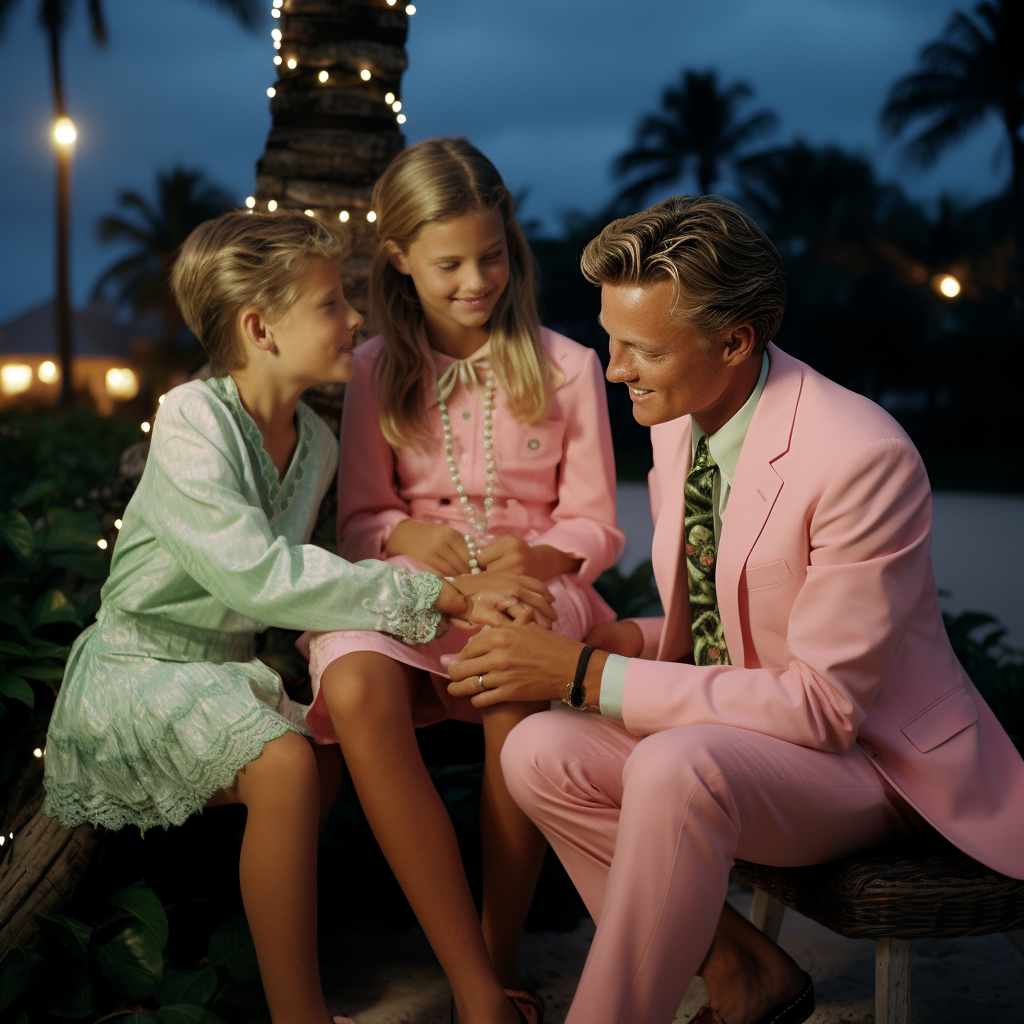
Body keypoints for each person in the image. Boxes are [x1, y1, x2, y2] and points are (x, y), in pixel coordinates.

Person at [447, 196, 1024, 1024]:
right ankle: (743, 971)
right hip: (758, 745)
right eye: (611, 340)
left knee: (676, 768)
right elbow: (734, 631)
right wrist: (623, 638)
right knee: (539, 749)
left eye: (641, 350)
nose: (614, 371)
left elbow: (823, 706)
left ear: (735, 340)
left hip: (881, 767)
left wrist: (588, 672)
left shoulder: (864, 458)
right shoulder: (681, 419)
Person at [42, 210, 555, 1024]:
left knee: (320, 757)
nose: (354, 318)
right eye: (328, 303)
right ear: (259, 327)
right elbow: (261, 574)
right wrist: (436, 594)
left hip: (226, 674)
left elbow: (319, 579)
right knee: (285, 765)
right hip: (141, 669)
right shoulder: (190, 421)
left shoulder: (314, 440)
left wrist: (459, 602)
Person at [302, 138, 624, 1024]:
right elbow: (360, 524)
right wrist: (406, 528)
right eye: (449, 264)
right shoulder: (372, 369)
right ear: (400, 260)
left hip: (530, 585)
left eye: (492, 255)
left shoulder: (568, 366)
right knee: (357, 680)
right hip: (415, 584)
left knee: (513, 686)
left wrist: (540, 558)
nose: (476, 280)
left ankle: (497, 959)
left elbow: (598, 522)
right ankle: (465, 969)